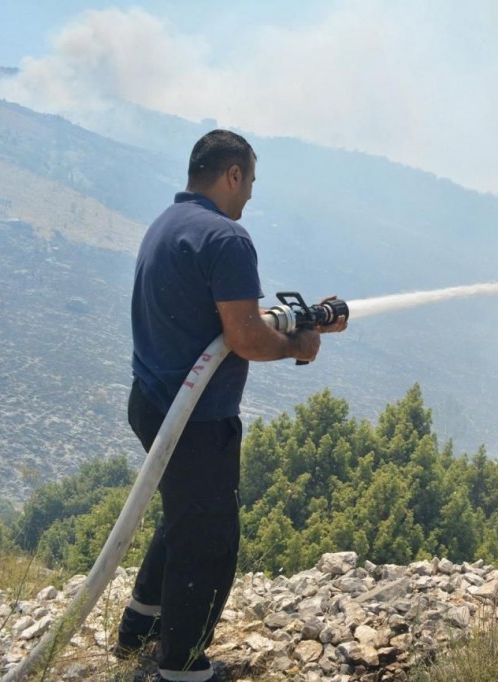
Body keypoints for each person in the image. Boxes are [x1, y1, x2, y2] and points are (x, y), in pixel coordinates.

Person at [116, 129, 346, 682]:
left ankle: (140, 628)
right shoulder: (227, 239)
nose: (250, 198)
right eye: (250, 183)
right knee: (210, 541)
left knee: (184, 516)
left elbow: (221, 317)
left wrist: (298, 317)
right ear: (232, 174)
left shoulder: (168, 224)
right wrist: (298, 345)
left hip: (151, 403)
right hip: (195, 422)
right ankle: (183, 668)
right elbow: (243, 337)